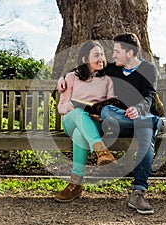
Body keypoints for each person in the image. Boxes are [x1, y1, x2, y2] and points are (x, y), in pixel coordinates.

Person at [57, 33, 166, 214]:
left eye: (115, 52)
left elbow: (148, 96)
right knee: (95, 112)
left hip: (134, 119)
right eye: (100, 54)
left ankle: (137, 193)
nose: (110, 56)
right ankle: (159, 124)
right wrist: (63, 79)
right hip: (99, 119)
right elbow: (75, 84)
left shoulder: (140, 69)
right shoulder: (106, 70)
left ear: (129, 53)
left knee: (141, 130)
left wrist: (138, 110)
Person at [55, 40, 116, 203]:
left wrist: (100, 113)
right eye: (96, 55)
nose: (101, 58)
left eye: (102, 55)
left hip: (96, 123)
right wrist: (75, 106)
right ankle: (100, 150)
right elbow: (61, 107)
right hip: (71, 119)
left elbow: (112, 106)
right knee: (79, 114)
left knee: (79, 134)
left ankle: (76, 184)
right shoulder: (71, 78)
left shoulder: (108, 79)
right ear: (84, 59)